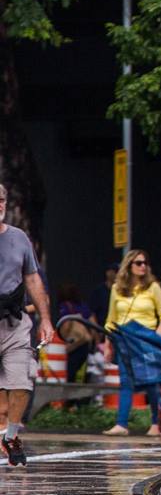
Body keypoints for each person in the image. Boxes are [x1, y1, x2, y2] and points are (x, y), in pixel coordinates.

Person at [0, 187, 57, 465]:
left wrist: (45, 319)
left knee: (21, 383)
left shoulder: (19, 238)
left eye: (0, 200)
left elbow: (33, 279)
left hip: (14, 322)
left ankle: (10, 436)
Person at [103, 249, 161, 436]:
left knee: (150, 381)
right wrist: (108, 343)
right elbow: (111, 319)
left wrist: (156, 336)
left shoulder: (153, 287)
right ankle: (121, 424)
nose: (143, 266)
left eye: (145, 263)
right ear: (129, 266)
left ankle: (156, 423)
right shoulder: (117, 288)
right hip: (124, 339)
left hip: (146, 338)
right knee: (125, 381)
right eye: (139, 263)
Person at [87, 260, 117, 326]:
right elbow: (92, 312)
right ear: (108, 273)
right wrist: (96, 328)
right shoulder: (98, 292)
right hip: (102, 327)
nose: (117, 274)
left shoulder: (122, 291)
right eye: (115, 272)